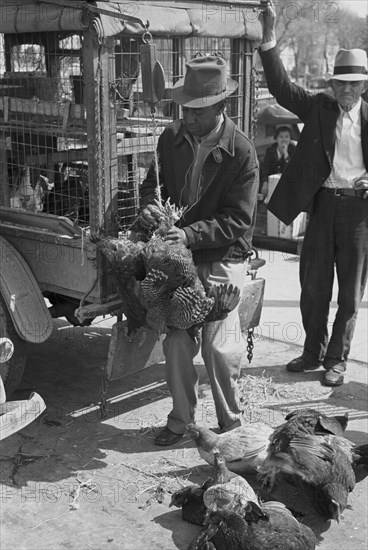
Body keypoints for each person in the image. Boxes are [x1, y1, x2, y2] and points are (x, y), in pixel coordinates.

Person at [139, 55, 259, 445]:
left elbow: (238, 219)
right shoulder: (169, 140)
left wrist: (190, 235)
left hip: (222, 256)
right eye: (184, 108)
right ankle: (182, 419)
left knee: (217, 344)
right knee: (176, 340)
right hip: (179, 256)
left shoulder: (242, 152)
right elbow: (149, 185)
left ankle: (231, 424)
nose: (188, 116)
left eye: (197, 110)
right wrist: (151, 206)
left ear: (220, 107)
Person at [259, 1, 368, 387]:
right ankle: (313, 352)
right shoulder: (318, 107)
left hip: (359, 214)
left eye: (355, 84)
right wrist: (269, 36)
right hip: (321, 207)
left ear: (364, 85)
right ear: (332, 84)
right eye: (342, 83)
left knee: (350, 295)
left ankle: (337, 360)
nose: (348, 90)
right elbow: (281, 87)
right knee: (314, 287)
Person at [260, 125, 296, 200]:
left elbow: (292, 170)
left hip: (287, 183)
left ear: (290, 139)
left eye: (286, 137)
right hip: (272, 182)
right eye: (281, 137)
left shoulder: (293, 150)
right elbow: (265, 168)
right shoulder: (270, 151)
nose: (284, 139)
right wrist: (265, 182)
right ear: (276, 139)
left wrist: (285, 153)